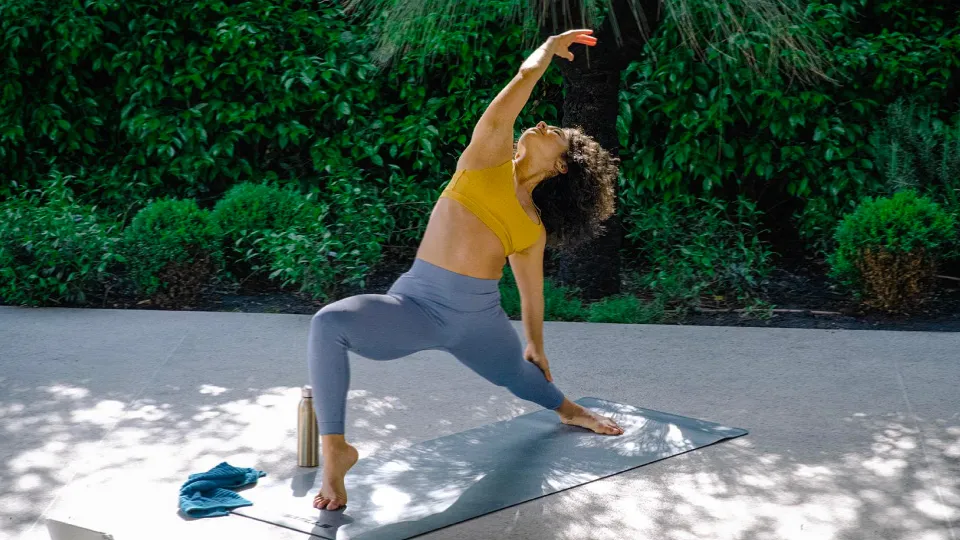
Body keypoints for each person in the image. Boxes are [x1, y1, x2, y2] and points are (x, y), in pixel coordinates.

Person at [307, 28, 623, 512]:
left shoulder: (532, 226)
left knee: (520, 378)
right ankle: (336, 451)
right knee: (328, 323)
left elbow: (531, 293)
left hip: (478, 321)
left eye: (554, 133)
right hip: (414, 305)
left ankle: (570, 410)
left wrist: (535, 343)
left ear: (562, 168)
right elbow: (521, 82)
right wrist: (547, 48)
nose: (541, 123)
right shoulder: (484, 159)